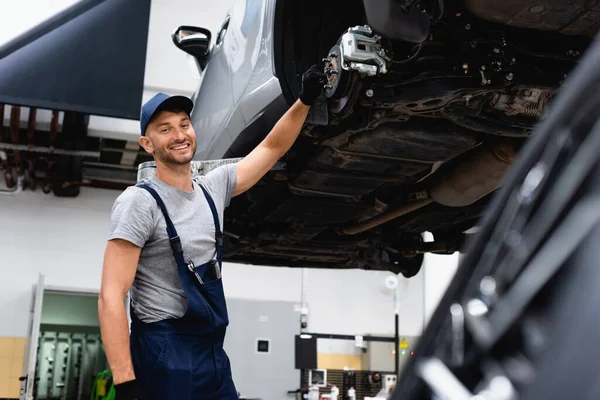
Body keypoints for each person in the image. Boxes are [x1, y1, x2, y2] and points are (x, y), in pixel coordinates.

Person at [98, 64, 326, 400]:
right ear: (148, 144)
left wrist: (304, 100)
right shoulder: (139, 203)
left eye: (184, 125)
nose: (179, 135)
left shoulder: (213, 188)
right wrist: (126, 383)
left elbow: (271, 148)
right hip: (164, 354)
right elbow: (110, 297)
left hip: (213, 351)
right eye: (165, 130)